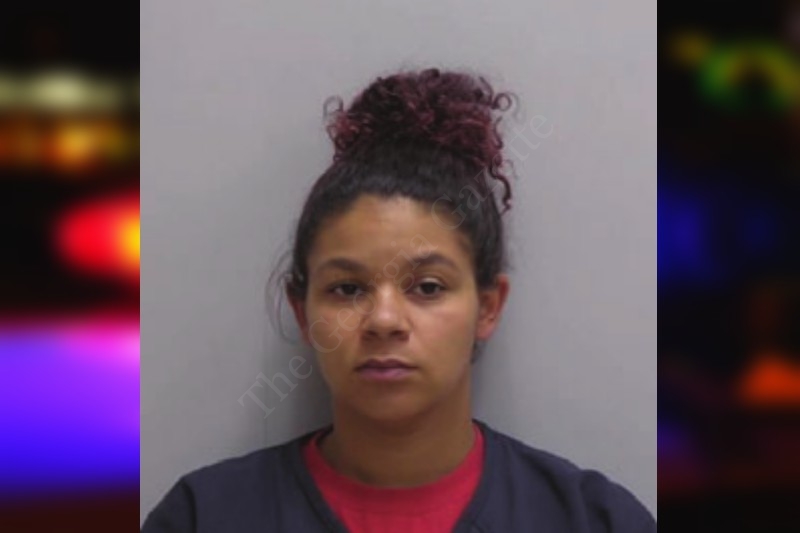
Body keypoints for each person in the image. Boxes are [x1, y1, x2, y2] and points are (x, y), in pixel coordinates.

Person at [142, 68, 655, 532]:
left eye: (427, 287)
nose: (384, 320)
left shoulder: (596, 520)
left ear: (489, 306)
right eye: (347, 289)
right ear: (302, 312)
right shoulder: (203, 517)